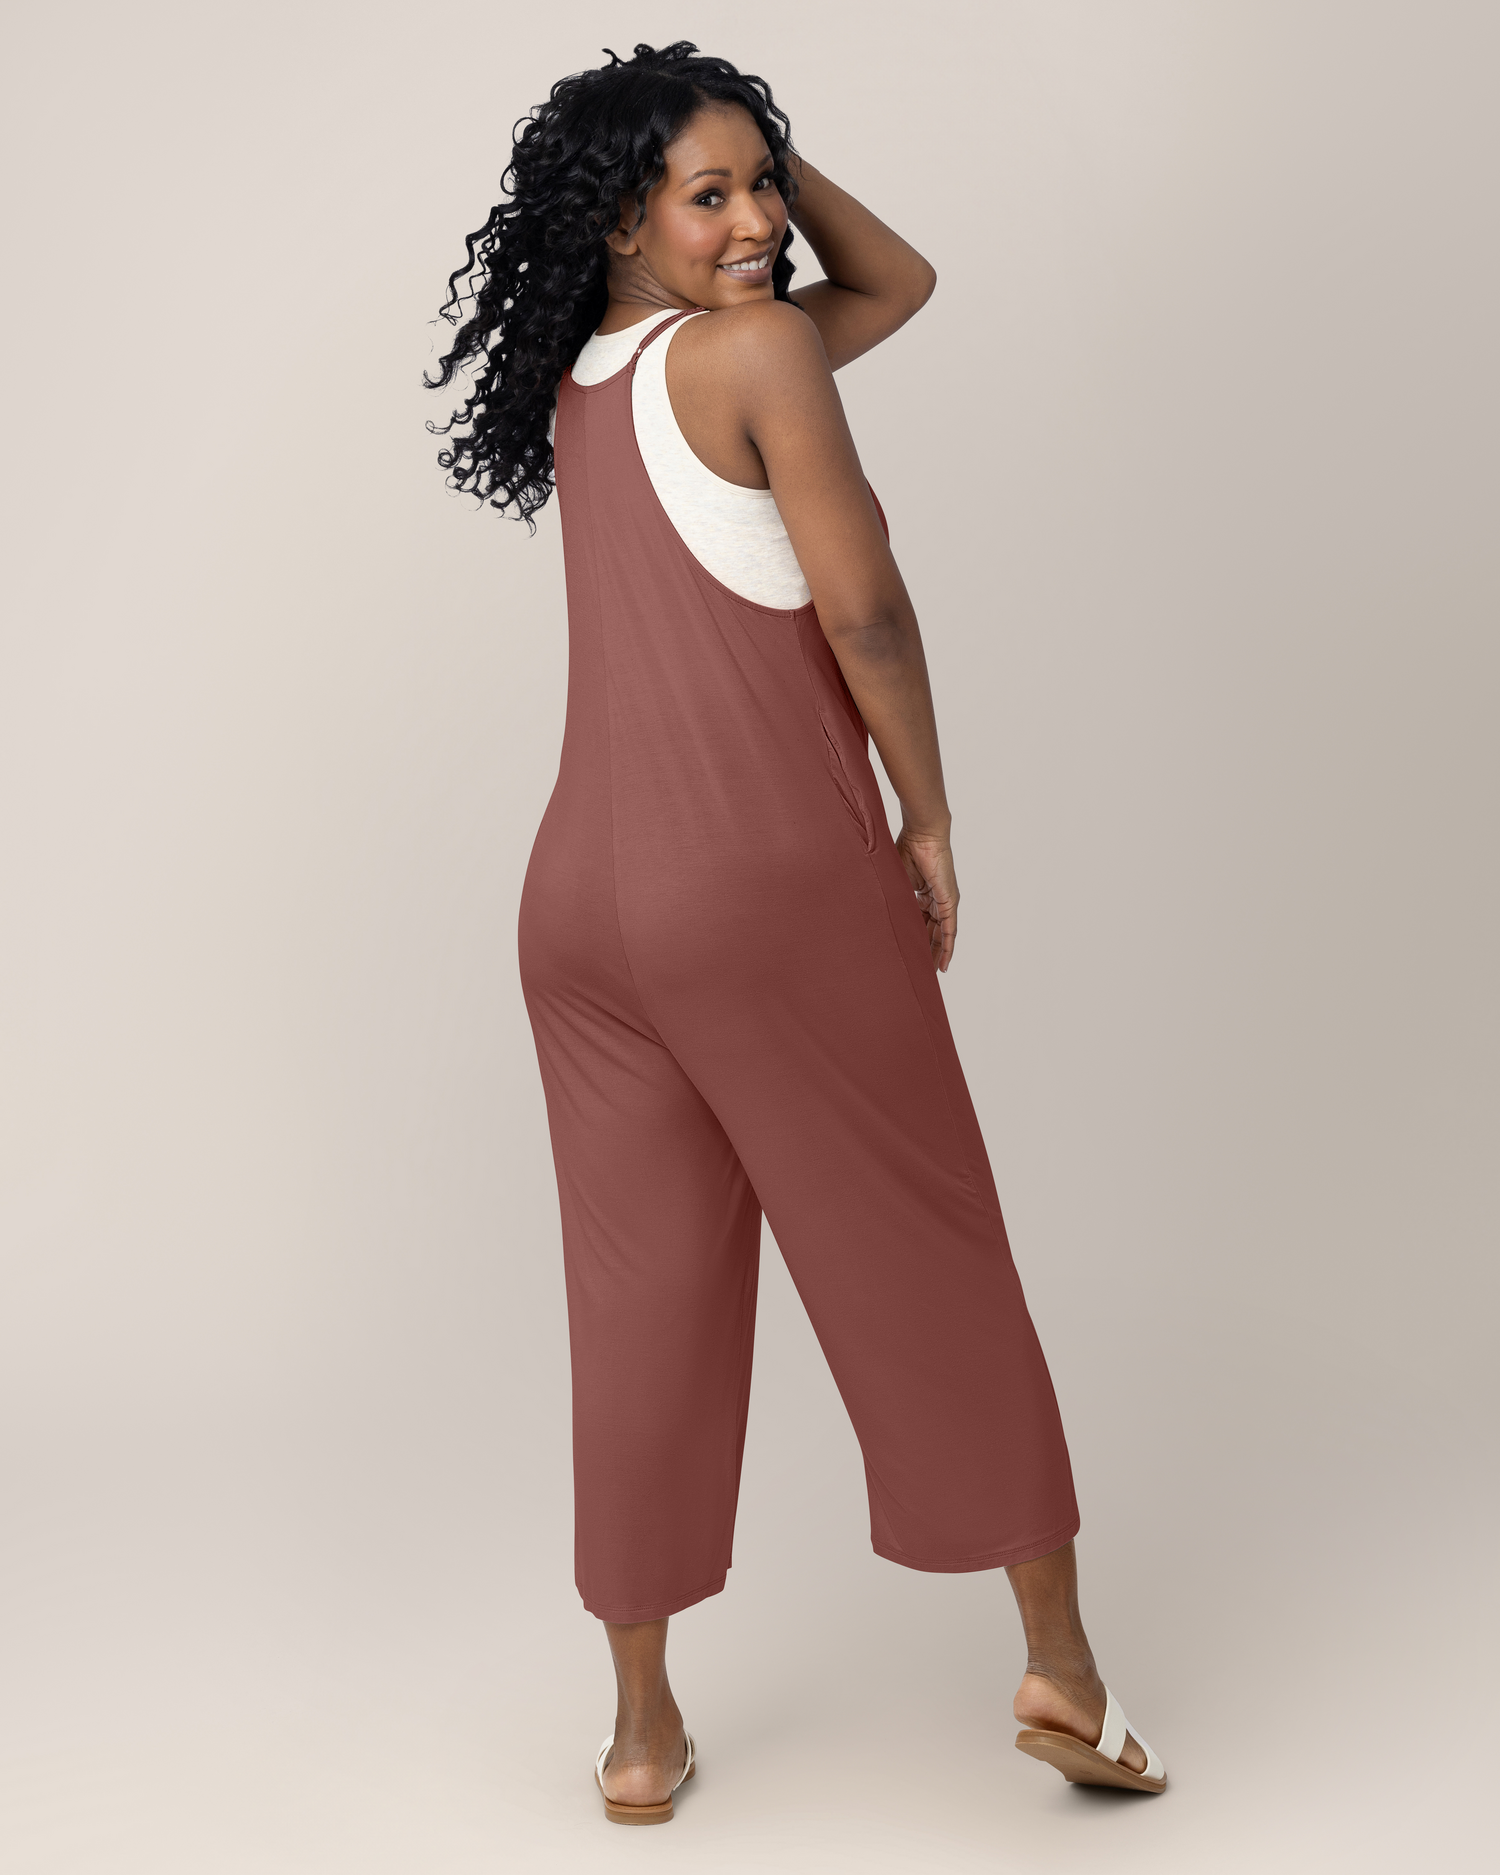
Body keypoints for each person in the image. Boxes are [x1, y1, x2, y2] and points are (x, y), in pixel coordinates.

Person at [428, 40, 1166, 1821]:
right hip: (761, 885)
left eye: (769, 183)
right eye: (714, 195)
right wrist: (928, 813)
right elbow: (868, 609)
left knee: (641, 1304)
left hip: (578, 910)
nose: (761, 222)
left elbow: (888, 284)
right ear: (620, 219)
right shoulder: (753, 357)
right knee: (927, 1245)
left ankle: (638, 1732)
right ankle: (1063, 1670)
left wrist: (740, 163)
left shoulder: (590, 377)